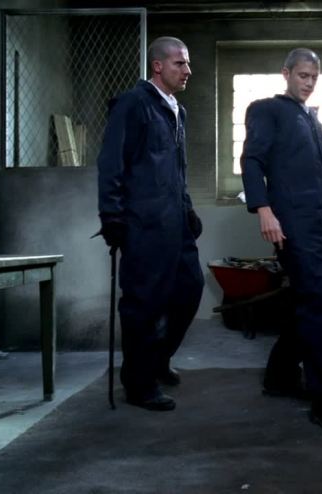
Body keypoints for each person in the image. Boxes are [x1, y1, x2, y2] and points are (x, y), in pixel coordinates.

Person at [240, 48, 322, 438]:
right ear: (286, 73)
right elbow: (251, 161)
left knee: (308, 304)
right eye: (303, 75)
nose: (309, 83)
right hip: (293, 227)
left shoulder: (311, 119)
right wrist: (263, 209)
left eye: (314, 77)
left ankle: (278, 377)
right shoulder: (267, 110)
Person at [97, 36, 204, 411]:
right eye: (180, 63)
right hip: (143, 223)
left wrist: (187, 207)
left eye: (187, 64)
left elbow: (177, 168)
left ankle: (157, 359)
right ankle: (139, 383)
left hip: (175, 221)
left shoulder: (177, 111)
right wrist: (111, 215)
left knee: (190, 288)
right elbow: (111, 162)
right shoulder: (133, 104)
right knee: (143, 302)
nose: (187, 70)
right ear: (158, 66)